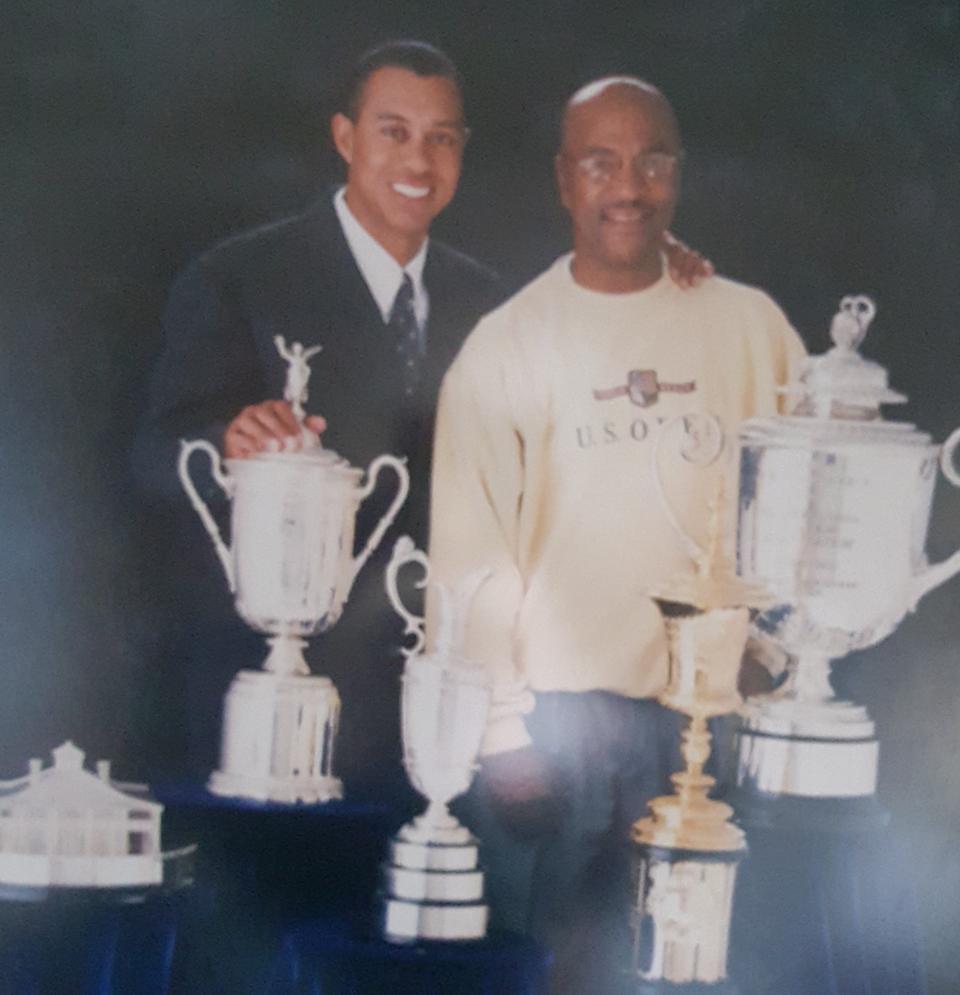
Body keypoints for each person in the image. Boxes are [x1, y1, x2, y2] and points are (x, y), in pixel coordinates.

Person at [133, 42, 710, 799]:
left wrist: (661, 279)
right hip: (273, 712)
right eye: (394, 131)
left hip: (446, 709)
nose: (419, 159)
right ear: (345, 137)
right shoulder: (239, 277)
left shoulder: (494, 305)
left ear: (462, 152)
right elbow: (151, 458)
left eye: (441, 138)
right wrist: (227, 440)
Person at [427, 76, 805, 992]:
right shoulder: (509, 341)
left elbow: (802, 506)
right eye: (601, 162)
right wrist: (502, 735)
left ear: (679, 174)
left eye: (651, 160)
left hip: (707, 727)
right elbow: (471, 555)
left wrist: (776, 650)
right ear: (564, 179)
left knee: (707, 975)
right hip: (558, 738)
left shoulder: (749, 326)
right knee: (565, 971)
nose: (627, 186)